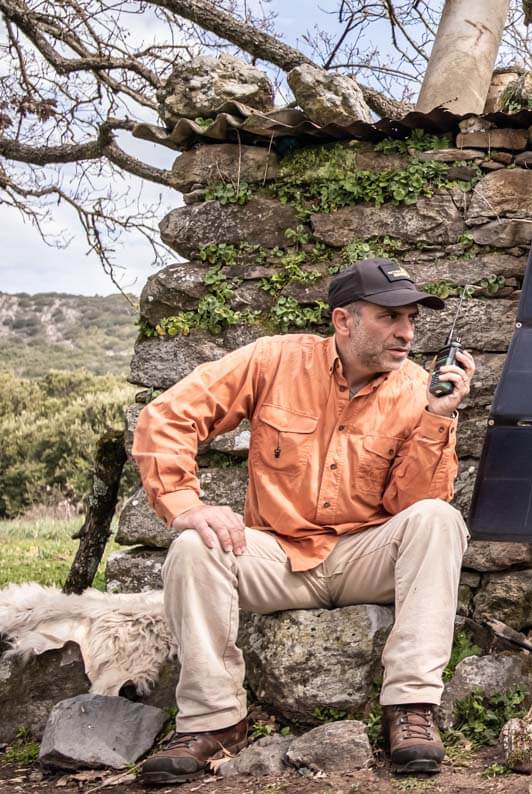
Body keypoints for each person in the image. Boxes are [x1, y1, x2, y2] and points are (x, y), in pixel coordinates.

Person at [132, 259, 477, 785]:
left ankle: (410, 708)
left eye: (410, 318)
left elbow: (415, 503)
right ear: (343, 320)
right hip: (276, 558)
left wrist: (438, 417)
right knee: (193, 546)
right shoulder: (274, 359)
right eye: (388, 317)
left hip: (365, 555)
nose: (406, 332)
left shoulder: (416, 390)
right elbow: (168, 415)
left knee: (438, 519)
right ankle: (214, 721)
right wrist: (186, 505)